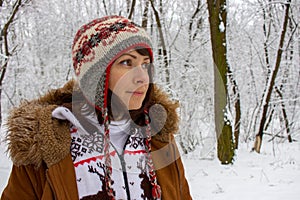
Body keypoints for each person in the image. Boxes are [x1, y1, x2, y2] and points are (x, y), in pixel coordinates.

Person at [1, 15, 192, 200]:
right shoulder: (45, 142)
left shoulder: (159, 136)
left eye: (145, 64)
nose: (142, 77)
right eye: (127, 63)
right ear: (95, 76)